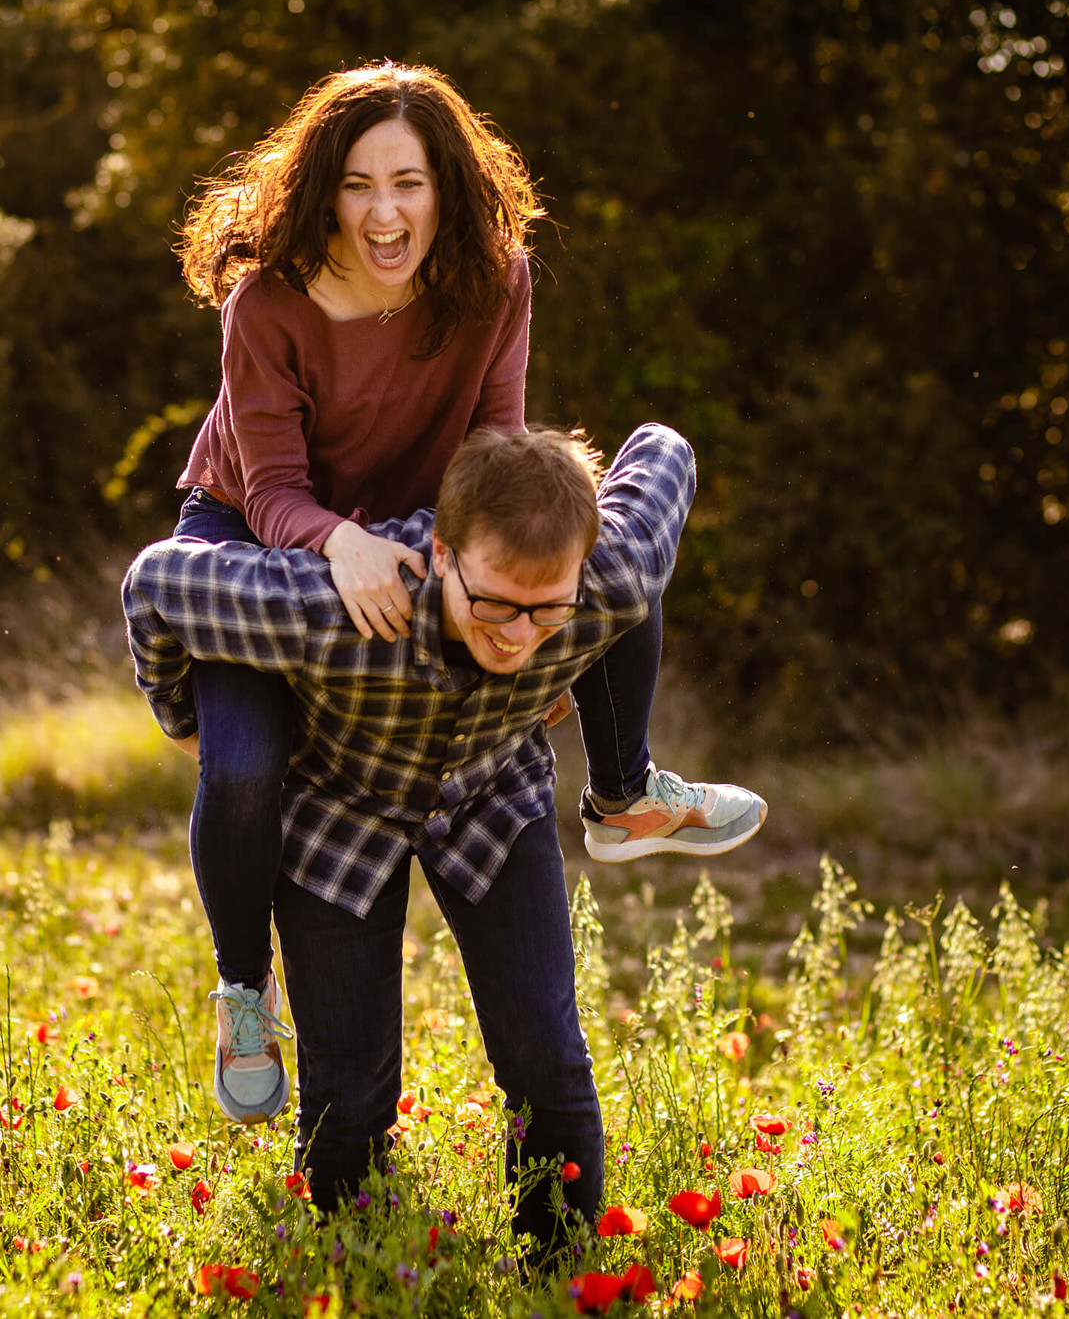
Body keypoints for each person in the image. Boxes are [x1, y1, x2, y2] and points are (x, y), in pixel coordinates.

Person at [167, 61, 765, 1124]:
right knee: (250, 766)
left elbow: (495, 437)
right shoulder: (268, 300)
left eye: (406, 181)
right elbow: (269, 488)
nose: (382, 211)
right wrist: (338, 547)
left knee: (609, 566)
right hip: (258, 528)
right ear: (322, 191)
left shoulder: (494, 278)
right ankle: (244, 987)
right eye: (355, 185)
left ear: (445, 184)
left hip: (413, 519)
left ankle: (623, 795)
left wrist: (507, 606)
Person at [124, 422, 720, 1260]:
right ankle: (356, 1265)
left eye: (545, 610)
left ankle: (561, 1268)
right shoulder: (330, 608)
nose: (518, 634)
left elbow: (665, 450)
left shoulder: (607, 579)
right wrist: (190, 726)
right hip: (343, 815)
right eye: (494, 604)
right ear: (440, 554)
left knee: (548, 1059)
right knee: (352, 1093)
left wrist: (563, 612)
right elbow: (155, 585)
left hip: (491, 799)